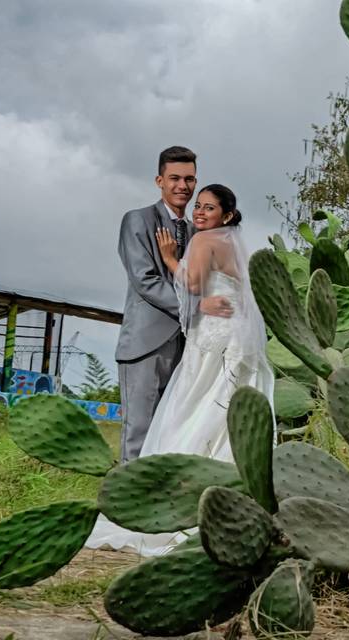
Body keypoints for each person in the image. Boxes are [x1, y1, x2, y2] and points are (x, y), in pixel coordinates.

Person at [87, 184, 274, 555]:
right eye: (198, 207)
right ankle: (232, 501)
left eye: (209, 207)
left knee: (193, 407)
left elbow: (191, 284)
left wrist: (171, 258)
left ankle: (176, 501)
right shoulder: (233, 243)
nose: (200, 213)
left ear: (228, 215)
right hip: (235, 336)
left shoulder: (205, 241)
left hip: (213, 340)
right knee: (226, 411)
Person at [113, 146, 233, 463]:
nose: (183, 186)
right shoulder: (137, 220)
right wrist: (199, 307)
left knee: (172, 434)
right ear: (160, 180)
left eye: (190, 179)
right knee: (138, 434)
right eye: (175, 178)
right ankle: (127, 506)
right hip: (145, 346)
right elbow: (145, 281)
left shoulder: (199, 232)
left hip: (189, 350)